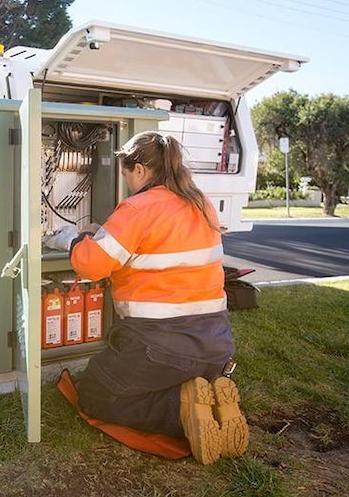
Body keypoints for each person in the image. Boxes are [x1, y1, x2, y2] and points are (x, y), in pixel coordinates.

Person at [68, 130, 248, 465]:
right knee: (155, 378)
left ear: (139, 170)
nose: (126, 182)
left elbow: (92, 265)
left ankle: (181, 409)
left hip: (159, 345)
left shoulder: (138, 209)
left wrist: (80, 238)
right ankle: (208, 400)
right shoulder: (201, 203)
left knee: (95, 395)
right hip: (214, 343)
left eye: (125, 174)